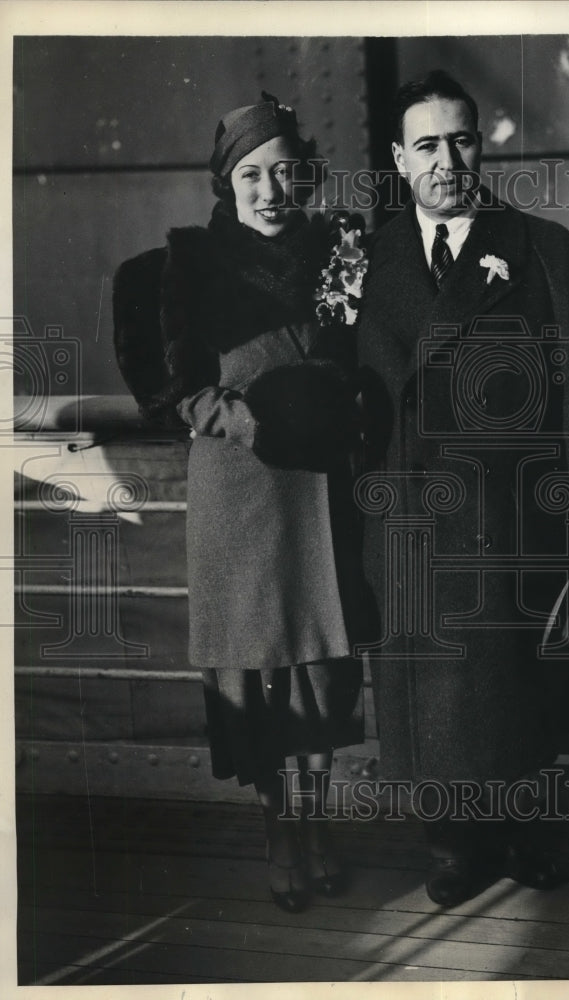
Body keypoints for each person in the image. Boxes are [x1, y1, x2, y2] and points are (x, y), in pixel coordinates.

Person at [356, 71, 569, 906]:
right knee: (427, 696)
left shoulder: (540, 247)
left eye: (460, 139)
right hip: (407, 520)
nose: (446, 160)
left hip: (509, 517)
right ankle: (451, 847)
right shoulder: (368, 258)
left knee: (514, 688)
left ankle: (521, 833)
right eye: (426, 145)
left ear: (482, 144)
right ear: (401, 159)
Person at [113, 94, 374, 915]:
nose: (270, 189)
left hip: (320, 489)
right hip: (238, 485)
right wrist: (241, 418)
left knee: (322, 669)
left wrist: (342, 409)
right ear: (226, 183)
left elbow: (361, 356)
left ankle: (315, 825)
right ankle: (277, 832)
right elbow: (175, 387)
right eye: (251, 174)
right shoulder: (185, 263)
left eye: (285, 171)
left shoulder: (342, 251)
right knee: (258, 673)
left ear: (305, 175)